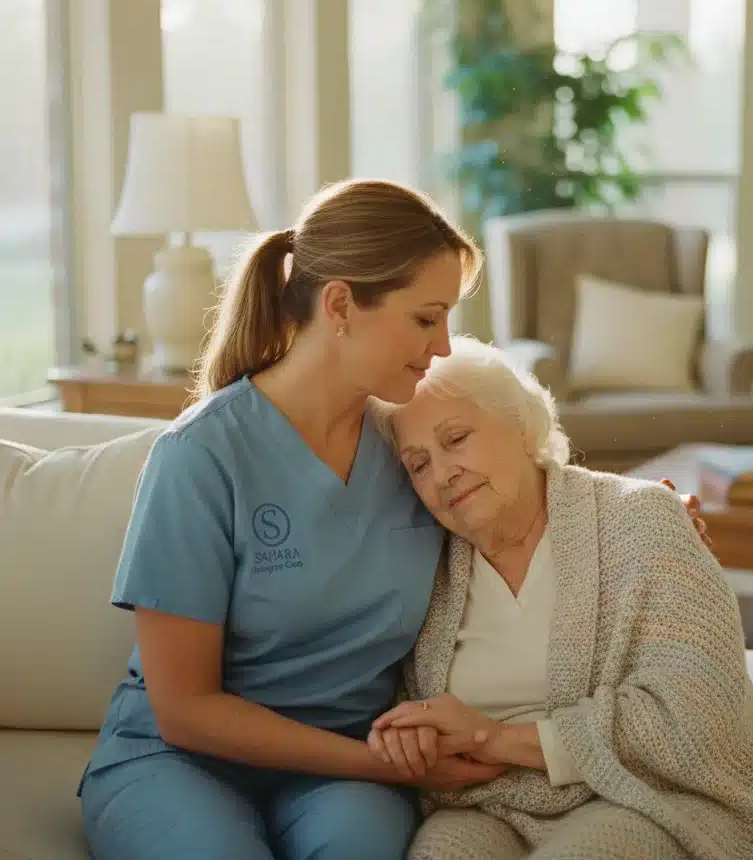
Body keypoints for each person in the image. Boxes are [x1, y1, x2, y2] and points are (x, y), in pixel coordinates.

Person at [369, 337, 753, 860]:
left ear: (522, 427)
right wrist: (413, 741)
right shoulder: (427, 567)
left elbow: (700, 711)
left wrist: (495, 738)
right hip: (490, 802)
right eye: (419, 464)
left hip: (645, 795)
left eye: (457, 438)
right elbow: (408, 702)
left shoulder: (642, 520)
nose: (443, 472)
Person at [78, 180, 504, 860]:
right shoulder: (200, 457)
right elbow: (184, 708)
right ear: (340, 304)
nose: (445, 346)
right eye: (427, 319)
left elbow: (529, 484)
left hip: (340, 776)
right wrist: (382, 765)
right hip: (179, 760)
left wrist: (653, 516)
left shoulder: (413, 446)